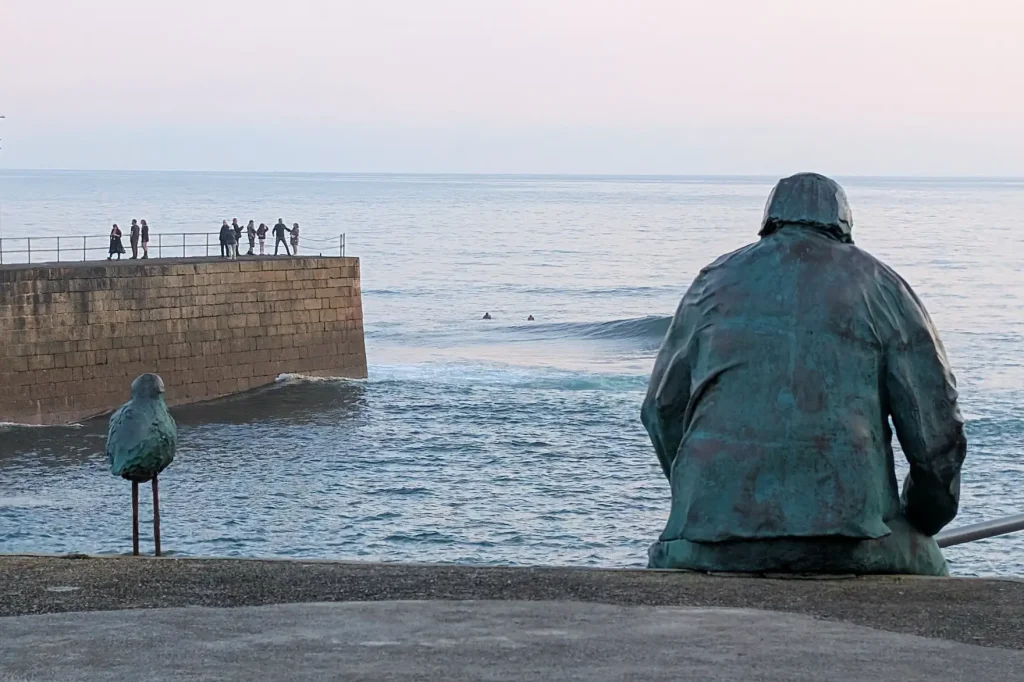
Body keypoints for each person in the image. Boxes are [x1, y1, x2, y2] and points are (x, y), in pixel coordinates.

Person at [642, 172, 966, 577]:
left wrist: (707, 498)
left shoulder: (711, 282)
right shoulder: (883, 286)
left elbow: (659, 410)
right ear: (843, 224)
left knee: (663, 559)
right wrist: (921, 518)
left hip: (711, 544)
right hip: (848, 544)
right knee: (930, 563)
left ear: (770, 220)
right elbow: (938, 437)